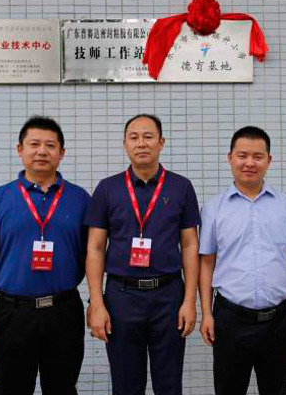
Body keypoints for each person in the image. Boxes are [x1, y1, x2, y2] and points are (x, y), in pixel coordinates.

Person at [0, 116, 90, 395]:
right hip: (12, 313)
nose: (42, 151)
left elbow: (93, 255)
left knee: (62, 388)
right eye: (34, 144)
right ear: (20, 150)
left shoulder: (81, 199)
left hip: (64, 311)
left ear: (62, 153)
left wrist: (96, 301)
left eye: (50, 145)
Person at [85, 114, 200, 395]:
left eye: (148, 137)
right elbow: (95, 248)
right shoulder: (107, 188)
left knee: (169, 384)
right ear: (125, 144)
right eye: (134, 137)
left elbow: (189, 245)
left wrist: (190, 301)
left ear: (161, 142)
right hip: (121, 297)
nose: (141, 143)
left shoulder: (181, 187)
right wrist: (97, 303)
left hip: (168, 295)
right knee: (126, 385)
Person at [199, 126, 286, 395]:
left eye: (257, 156)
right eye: (242, 155)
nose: (249, 163)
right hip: (230, 319)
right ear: (230, 158)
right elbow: (206, 262)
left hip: (278, 321)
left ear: (269, 160)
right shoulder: (213, 208)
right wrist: (206, 313)